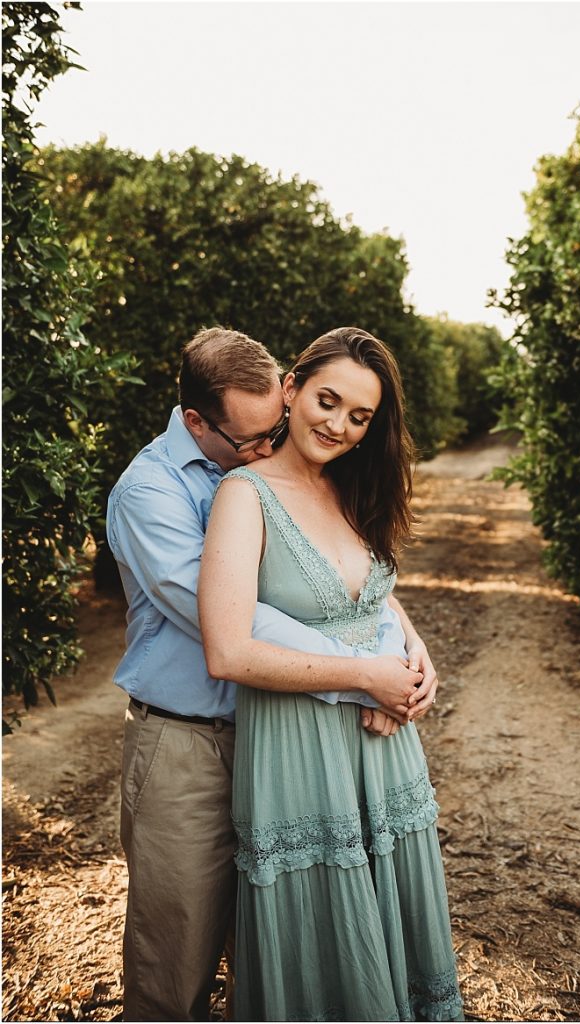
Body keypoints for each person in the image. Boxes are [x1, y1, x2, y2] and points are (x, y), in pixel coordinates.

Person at [106, 326, 440, 1022]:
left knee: (285, 951)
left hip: (289, 736)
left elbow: (335, 582)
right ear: (197, 422)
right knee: (175, 962)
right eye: (251, 440)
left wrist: (406, 644)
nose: (266, 447)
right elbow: (235, 624)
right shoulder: (150, 494)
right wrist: (365, 674)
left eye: (273, 429)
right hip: (192, 744)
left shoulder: (309, 475)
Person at [199, 327, 464, 1021]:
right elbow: (227, 651)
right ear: (291, 389)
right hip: (299, 749)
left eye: (360, 416)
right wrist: (367, 677)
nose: (339, 425)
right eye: (327, 400)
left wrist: (414, 653)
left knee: (393, 928)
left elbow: (369, 598)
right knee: (326, 942)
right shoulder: (245, 495)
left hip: (385, 748)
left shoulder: (352, 487)